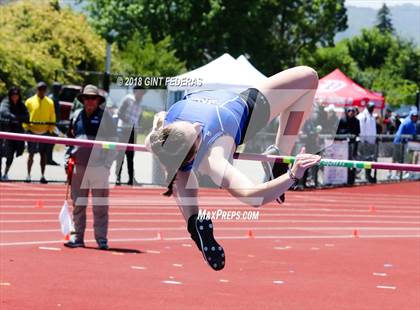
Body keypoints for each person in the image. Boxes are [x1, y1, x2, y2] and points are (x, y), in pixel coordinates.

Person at [146, 66, 321, 271]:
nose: (197, 126)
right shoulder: (214, 158)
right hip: (244, 111)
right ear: (197, 148)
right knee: (181, 174)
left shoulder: (159, 137)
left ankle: (194, 224)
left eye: (191, 125)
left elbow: (156, 132)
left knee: (309, 78)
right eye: (198, 135)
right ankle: (195, 224)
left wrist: (157, 123)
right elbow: (252, 196)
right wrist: (293, 174)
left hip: (232, 102)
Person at [64, 85, 117, 250]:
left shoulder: (105, 118)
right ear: (82, 100)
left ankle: (101, 239)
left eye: (93, 98)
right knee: (78, 205)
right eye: (87, 98)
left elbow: (113, 143)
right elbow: (69, 140)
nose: (90, 101)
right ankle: (77, 237)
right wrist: (67, 159)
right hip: (79, 167)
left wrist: (107, 164)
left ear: (98, 100)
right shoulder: (76, 116)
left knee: (100, 206)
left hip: (99, 168)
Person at [23, 82, 56, 184]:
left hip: (45, 131)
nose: (41, 91)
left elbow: (52, 116)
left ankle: (42, 175)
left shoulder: (50, 102)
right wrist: (26, 127)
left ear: (45, 90)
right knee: (31, 154)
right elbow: (25, 115)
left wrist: (51, 129)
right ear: (37, 89)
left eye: (43, 89)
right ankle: (28, 175)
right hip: (32, 130)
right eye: (39, 89)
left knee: (43, 155)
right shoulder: (29, 101)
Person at [115, 86, 144, 185]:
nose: (142, 95)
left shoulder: (140, 105)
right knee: (120, 155)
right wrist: (128, 122)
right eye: (140, 92)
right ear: (135, 92)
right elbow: (119, 113)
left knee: (131, 156)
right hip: (124, 130)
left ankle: (131, 178)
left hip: (133, 132)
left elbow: (139, 118)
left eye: (143, 93)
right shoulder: (128, 99)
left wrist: (138, 126)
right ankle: (118, 178)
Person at [0, 87, 29, 180]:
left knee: (11, 155)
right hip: (4, 131)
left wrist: (16, 118)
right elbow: (4, 112)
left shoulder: (21, 104)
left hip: (16, 132)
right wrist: (16, 118)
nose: (15, 97)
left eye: (16, 95)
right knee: (1, 152)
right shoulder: (5, 103)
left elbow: (27, 116)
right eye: (13, 94)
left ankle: (5, 173)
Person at [390, 110, 418, 179]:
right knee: (398, 159)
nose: (415, 118)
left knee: (397, 159)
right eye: (413, 116)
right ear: (410, 116)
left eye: (416, 116)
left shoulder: (409, 121)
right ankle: (395, 174)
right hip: (400, 142)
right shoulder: (409, 122)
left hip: (399, 142)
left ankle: (393, 174)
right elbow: (413, 135)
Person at [337, 107, 360, 185]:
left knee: (352, 162)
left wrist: (352, 136)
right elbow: (337, 131)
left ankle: (351, 180)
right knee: (342, 161)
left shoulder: (356, 121)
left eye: (353, 111)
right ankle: (341, 179)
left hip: (352, 145)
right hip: (342, 145)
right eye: (349, 111)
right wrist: (346, 134)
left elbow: (358, 132)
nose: (351, 112)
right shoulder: (342, 120)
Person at [357, 101, 377, 183]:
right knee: (362, 159)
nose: (372, 108)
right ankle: (357, 174)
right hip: (364, 142)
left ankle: (368, 176)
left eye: (373, 107)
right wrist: (363, 140)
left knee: (369, 160)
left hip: (371, 142)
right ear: (367, 106)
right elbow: (361, 129)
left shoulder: (372, 116)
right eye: (371, 107)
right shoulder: (362, 116)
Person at [45, 82, 62, 166]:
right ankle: (48, 159)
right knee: (50, 142)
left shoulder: (55, 97)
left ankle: (49, 158)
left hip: (55, 123)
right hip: (52, 124)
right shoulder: (52, 98)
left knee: (52, 142)